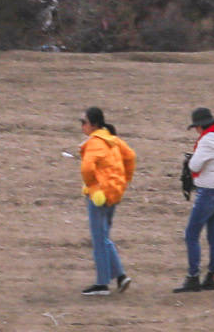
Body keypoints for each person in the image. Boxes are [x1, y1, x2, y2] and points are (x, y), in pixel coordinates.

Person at [76, 107, 137, 295]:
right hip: (114, 194)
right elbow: (131, 157)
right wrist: (124, 180)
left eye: (83, 122)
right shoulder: (113, 139)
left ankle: (102, 284)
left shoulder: (95, 142)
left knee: (99, 239)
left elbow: (87, 168)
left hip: (100, 197)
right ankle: (120, 276)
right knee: (104, 237)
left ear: (93, 124)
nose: (82, 126)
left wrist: (93, 187)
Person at [173, 106, 214, 293]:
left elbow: (195, 165)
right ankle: (211, 276)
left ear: (199, 126)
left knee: (192, 234)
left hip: (208, 193)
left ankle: (193, 277)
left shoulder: (206, 141)